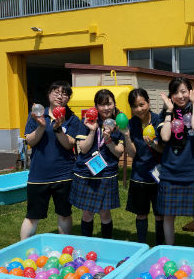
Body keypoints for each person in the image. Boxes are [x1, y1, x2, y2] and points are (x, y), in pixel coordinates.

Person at [20, 81, 80, 240]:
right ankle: (22, 246)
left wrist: (58, 128)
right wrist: (41, 126)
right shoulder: (37, 114)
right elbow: (31, 142)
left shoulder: (72, 119)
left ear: (68, 98)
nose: (61, 96)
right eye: (57, 92)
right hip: (38, 175)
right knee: (32, 215)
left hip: (64, 175)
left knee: (64, 214)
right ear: (49, 94)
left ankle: (65, 247)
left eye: (65, 93)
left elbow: (69, 145)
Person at [157, 77, 194, 248]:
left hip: (193, 170)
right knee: (168, 215)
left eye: (184, 91)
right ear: (171, 95)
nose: (180, 96)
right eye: (176, 92)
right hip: (171, 170)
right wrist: (169, 112)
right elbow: (164, 137)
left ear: (190, 92)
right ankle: (170, 248)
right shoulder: (164, 114)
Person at [69, 89, 124, 239]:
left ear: (114, 104)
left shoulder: (119, 123)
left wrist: (108, 140)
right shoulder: (87, 121)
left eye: (109, 104)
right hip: (87, 173)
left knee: (105, 212)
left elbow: (118, 152)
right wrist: (92, 131)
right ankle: (86, 244)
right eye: (102, 104)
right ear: (96, 106)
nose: (106, 108)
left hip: (107, 174)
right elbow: (84, 149)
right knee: (87, 212)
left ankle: (107, 243)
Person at [123, 88, 165, 245]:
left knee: (160, 215)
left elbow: (163, 149)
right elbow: (133, 154)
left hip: (159, 176)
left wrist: (152, 144)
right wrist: (127, 136)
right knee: (141, 214)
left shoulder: (159, 120)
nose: (139, 109)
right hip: (139, 176)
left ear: (148, 102)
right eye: (135, 106)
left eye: (142, 104)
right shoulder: (130, 124)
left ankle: (160, 245)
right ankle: (142, 245)